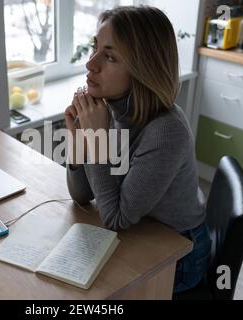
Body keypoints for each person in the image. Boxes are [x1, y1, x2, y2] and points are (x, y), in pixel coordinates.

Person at [64, 5, 212, 293]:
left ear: (144, 70)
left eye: (109, 57)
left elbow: (116, 219)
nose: (90, 65)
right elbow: (82, 196)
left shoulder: (166, 131)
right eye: (95, 48)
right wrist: (78, 141)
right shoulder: (113, 111)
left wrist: (97, 139)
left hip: (179, 252)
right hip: (141, 231)